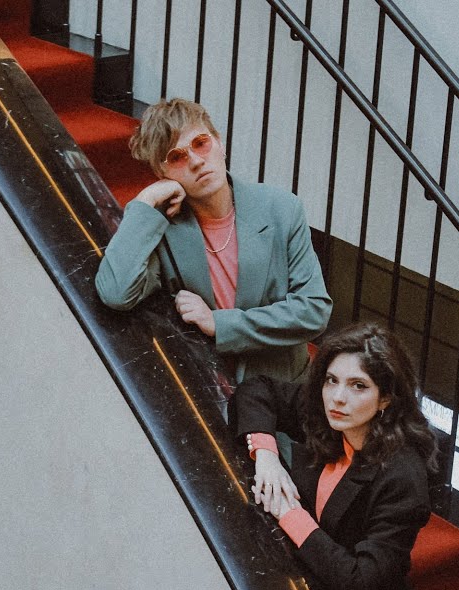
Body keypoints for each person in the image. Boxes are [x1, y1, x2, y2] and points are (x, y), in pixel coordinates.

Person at [230, 321, 448, 590]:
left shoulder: (403, 479)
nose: (338, 397)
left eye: (358, 386)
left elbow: (358, 581)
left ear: (386, 399)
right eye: (332, 380)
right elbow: (256, 389)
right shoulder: (330, 417)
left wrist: (291, 514)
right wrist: (265, 454)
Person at [94, 98, 331, 384]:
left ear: (219, 143)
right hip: (207, 389)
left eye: (201, 143)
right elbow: (116, 293)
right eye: (177, 157)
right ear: (162, 173)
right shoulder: (164, 229)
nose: (196, 161)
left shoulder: (281, 209)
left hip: (282, 393)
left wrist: (220, 324)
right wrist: (146, 199)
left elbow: (313, 310)